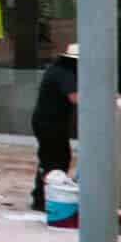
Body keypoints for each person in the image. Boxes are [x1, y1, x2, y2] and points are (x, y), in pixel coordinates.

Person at [31, 48, 79, 213]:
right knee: (55, 161)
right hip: (50, 122)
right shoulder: (65, 74)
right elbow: (74, 97)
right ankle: (44, 199)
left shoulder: (57, 70)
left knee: (50, 159)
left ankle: (40, 197)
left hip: (48, 121)